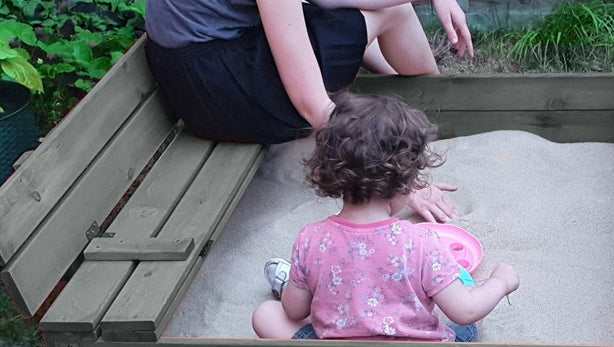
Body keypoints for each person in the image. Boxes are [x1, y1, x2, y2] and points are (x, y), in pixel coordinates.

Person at [144, 0, 470, 222]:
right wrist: (404, 184)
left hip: (202, 65)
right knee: (392, 13)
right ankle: (434, 115)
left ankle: (428, 113)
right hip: (219, 89)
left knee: (390, 9)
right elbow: (314, 108)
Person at [251, 93, 519, 341]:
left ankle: (293, 282)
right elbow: (467, 310)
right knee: (470, 319)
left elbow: (294, 310)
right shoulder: (421, 242)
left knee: (266, 314)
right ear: (405, 182)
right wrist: (500, 281)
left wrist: (307, 287)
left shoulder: (311, 239)